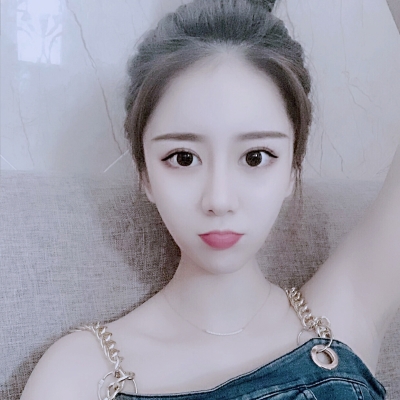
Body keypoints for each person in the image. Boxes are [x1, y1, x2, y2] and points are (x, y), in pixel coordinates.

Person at [21, 0, 399, 399]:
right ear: (145, 174)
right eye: (183, 158)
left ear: (293, 168)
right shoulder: (79, 374)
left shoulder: (347, 310)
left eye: (255, 157)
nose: (219, 200)